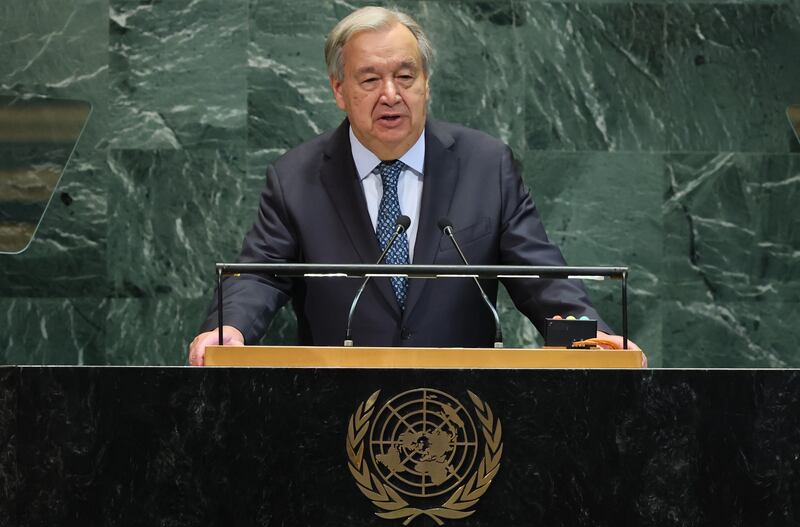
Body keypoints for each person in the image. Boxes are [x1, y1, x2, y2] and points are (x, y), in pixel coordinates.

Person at [188, 6, 642, 365]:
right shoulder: (295, 178)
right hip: (335, 413)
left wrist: (590, 335)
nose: (391, 94)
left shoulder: (487, 166)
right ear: (338, 90)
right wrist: (232, 330)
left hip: (469, 414)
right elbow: (260, 275)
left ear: (426, 84)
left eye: (406, 76)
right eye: (370, 79)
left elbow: (542, 277)